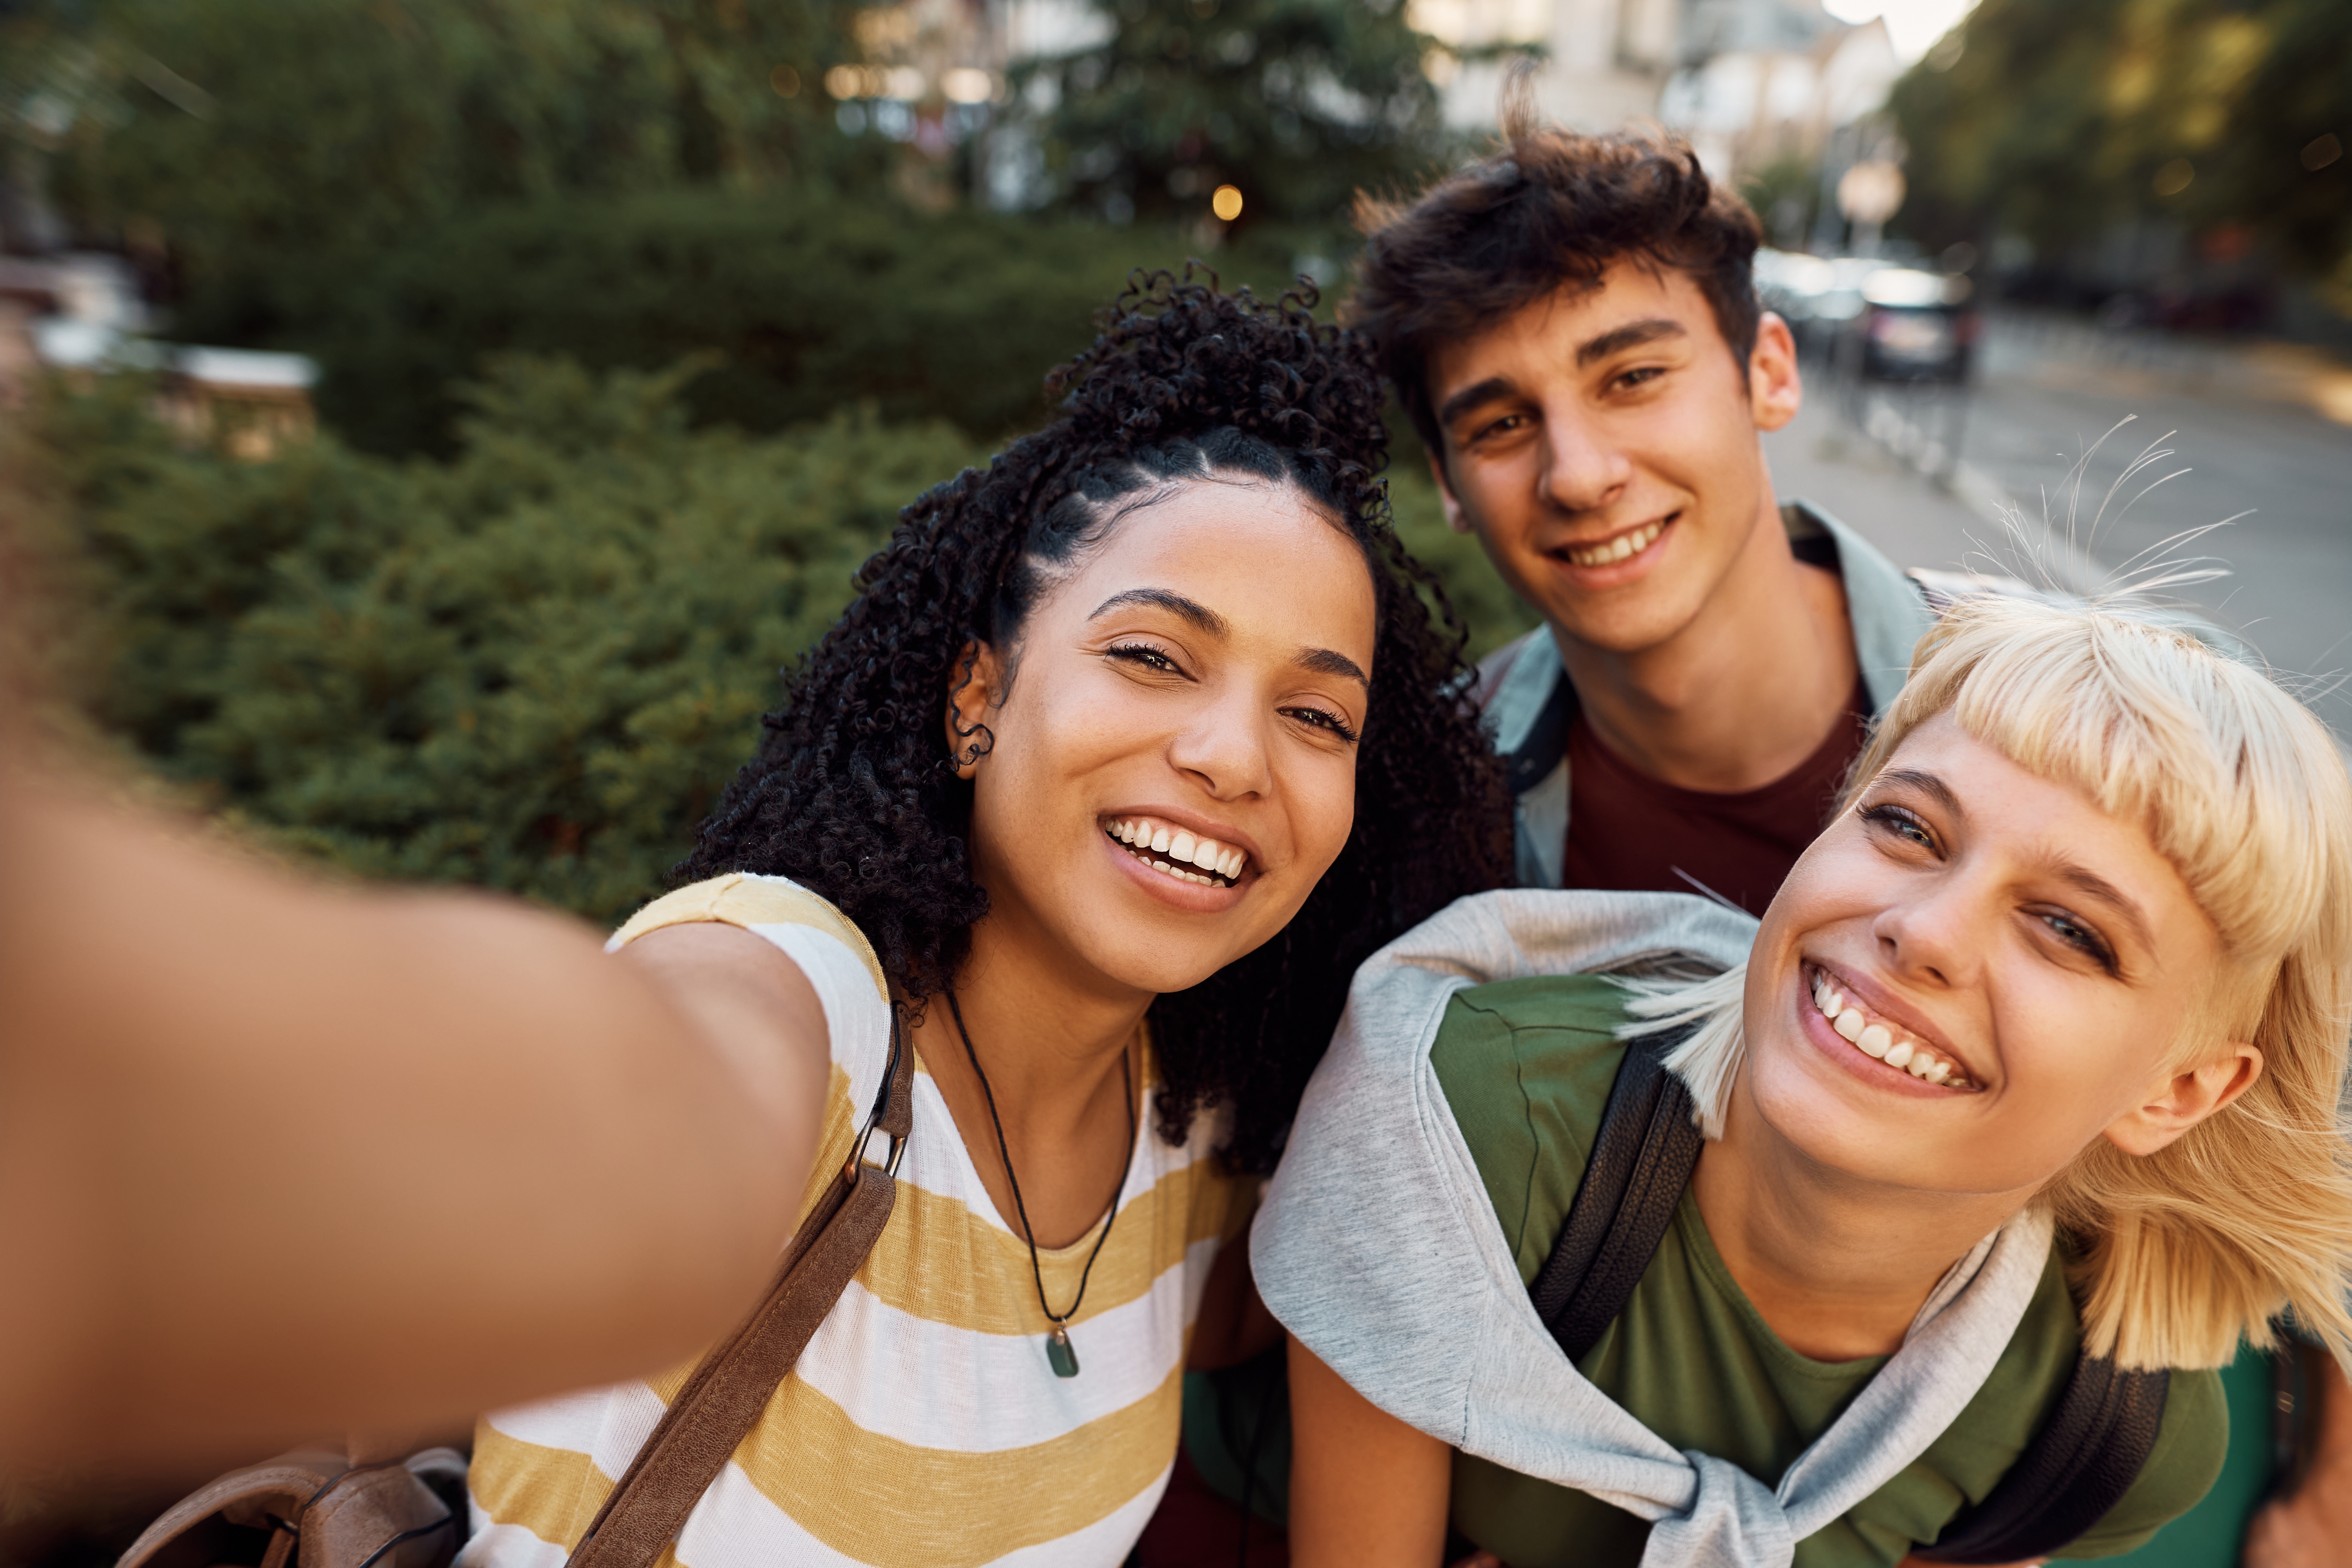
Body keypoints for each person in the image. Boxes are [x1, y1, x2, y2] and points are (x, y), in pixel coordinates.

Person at [455, 274, 1509, 1568]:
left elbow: (1361, 1308)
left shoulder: (1187, 1144)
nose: (1235, 758)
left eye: (1315, 716)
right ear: (978, 697)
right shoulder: (809, 1004)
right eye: (1153, 657)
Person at [1259, 593, 2352, 1566]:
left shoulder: (2101, 1429)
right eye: (1907, 825)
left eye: (2069, 929)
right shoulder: (1470, 1120)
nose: (1924, 931)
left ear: (2180, 1092)